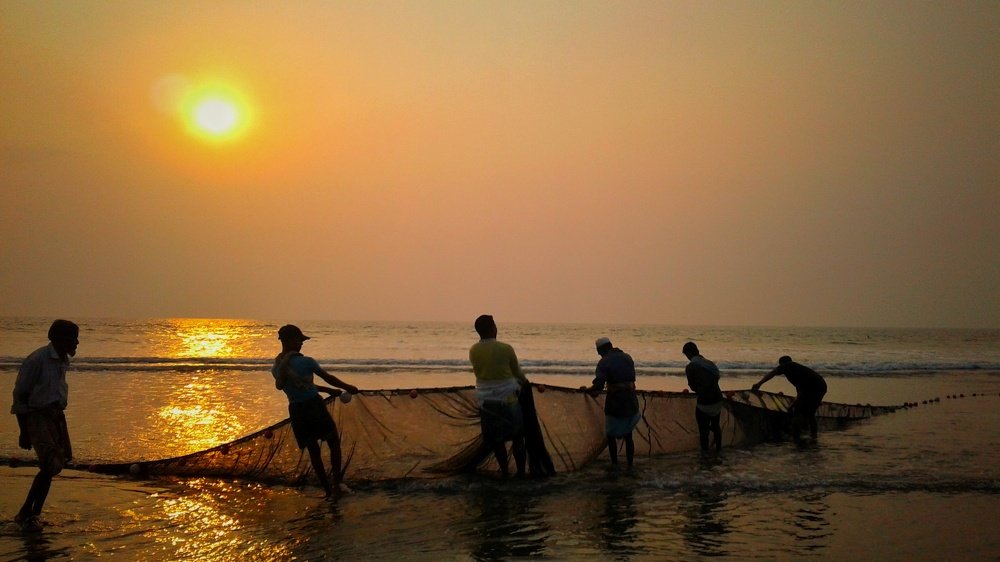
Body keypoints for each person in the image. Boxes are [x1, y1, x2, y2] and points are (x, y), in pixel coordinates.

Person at [272, 324, 358, 498]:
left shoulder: (277, 368)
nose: (302, 344)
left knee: (313, 450)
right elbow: (328, 377)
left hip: (296, 411)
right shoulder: (306, 362)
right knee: (333, 441)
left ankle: (327, 490)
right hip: (314, 406)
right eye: (299, 340)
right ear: (290, 340)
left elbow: (301, 385)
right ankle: (336, 484)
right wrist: (348, 386)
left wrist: (328, 391)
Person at [11, 319, 80, 532]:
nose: (76, 343)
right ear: (57, 339)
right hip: (37, 416)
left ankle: (32, 513)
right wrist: (24, 431)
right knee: (49, 466)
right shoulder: (37, 360)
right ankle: (27, 513)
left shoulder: (61, 360)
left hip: (55, 416)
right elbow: (20, 396)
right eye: (72, 339)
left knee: (54, 466)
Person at [469, 315, 528, 476]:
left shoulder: (473, 350)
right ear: (492, 328)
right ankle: (521, 473)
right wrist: (526, 383)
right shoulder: (506, 348)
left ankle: (504, 472)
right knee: (517, 437)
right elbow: (517, 373)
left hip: (486, 402)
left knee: (497, 440)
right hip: (509, 400)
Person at [583, 337, 640, 467]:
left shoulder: (604, 362)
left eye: (598, 351)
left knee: (611, 434)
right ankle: (630, 464)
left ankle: (615, 464)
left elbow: (598, 385)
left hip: (616, 401)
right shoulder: (627, 357)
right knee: (628, 434)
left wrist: (587, 390)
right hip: (631, 399)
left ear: (602, 349)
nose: (598, 354)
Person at [752, 356, 828, 443]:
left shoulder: (787, 365)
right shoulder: (798, 371)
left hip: (812, 387)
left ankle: (796, 437)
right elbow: (801, 394)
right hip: (821, 385)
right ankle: (814, 436)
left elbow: (772, 373)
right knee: (810, 413)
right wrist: (792, 405)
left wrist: (759, 384)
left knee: (798, 412)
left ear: (782, 363)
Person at [682, 342, 724, 452]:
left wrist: (700, 388)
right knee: (716, 426)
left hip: (704, 403)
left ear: (689, 353)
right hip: (717, 400)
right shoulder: (710, 364)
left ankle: (705, 454)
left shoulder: (690, 367)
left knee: (703, 430)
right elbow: (716, 379)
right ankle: (718, 450)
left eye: (686, 354)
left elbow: (692, 386)